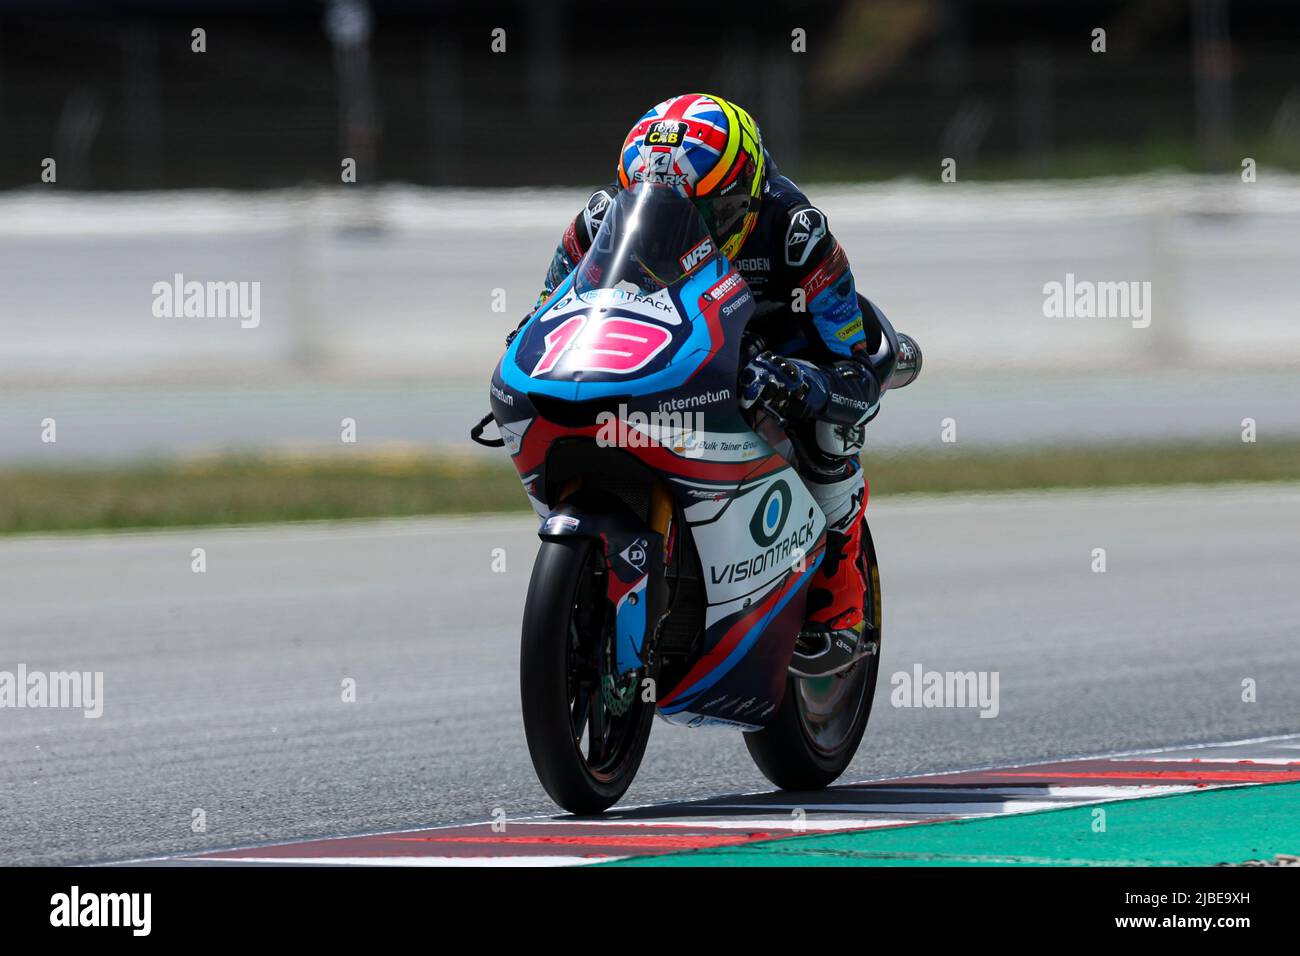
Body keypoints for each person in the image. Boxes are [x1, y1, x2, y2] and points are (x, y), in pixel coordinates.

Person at [525, 93, 903, 677]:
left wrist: (804, 381)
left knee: (830, 431)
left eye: (710, 215)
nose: (690, 228)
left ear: (748, 194)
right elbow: (552, 304)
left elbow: (852, 360)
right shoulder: (601, 217)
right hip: (673, 339)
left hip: (780, 346)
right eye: (665, 210)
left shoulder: (795, 229)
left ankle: (840, 604)